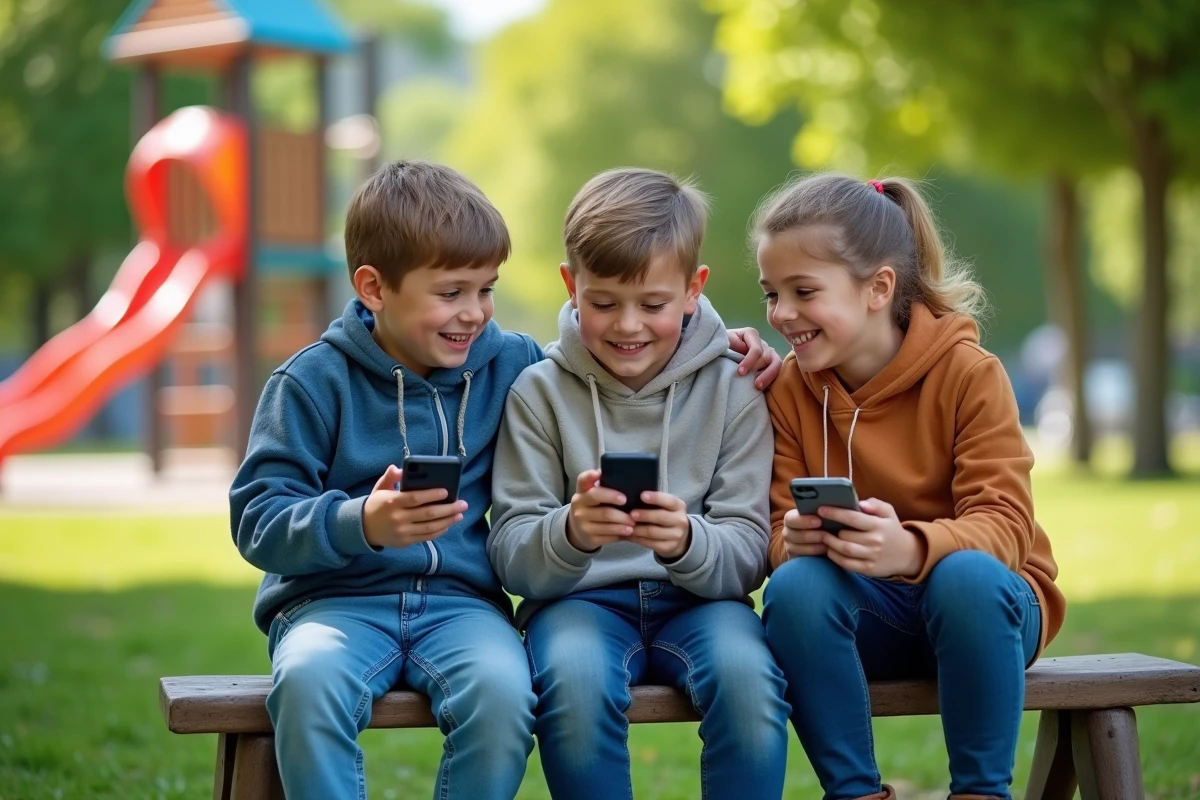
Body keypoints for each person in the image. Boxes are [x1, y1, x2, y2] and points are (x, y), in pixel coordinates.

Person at [229, 160, 782, 800]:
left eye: (485, 290)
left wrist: (722, 340)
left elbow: (628, 340)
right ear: (374, 288)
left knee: (503, 694)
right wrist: (362, 522)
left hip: (463, 610)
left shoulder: (511, 364)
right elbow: (257, 519)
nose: (473, 314)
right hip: (332, 606)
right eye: (451, 293)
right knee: (308, 681)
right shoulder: (311, 383)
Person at [755, 173, 1065, 800]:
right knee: (794, 590)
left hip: (992, 609)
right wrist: (796, 540)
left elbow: (1006, 526)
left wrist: (910, 550)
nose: (781, 314)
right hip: (875, 617)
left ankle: (979, 792)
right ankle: (855, 792)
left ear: (879, 288)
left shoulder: (968, 373)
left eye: (803, 291)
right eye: (771, 294)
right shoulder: (789, 390)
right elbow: (773, 538)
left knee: (966, 579)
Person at [488, 167, 791, 800]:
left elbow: (748, 551)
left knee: (748, 682)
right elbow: (512, 553)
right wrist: (570, 532)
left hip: (702, 604)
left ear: (692, 289)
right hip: (577, 604)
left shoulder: (737, 387)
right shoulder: (538, 393)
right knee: (569, 687)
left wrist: (685, 540)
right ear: (571, 287)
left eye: (653, 304)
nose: (628, 326)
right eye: (603, 303)